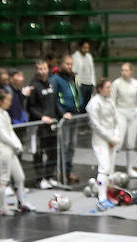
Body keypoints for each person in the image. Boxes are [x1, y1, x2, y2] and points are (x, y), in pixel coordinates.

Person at [0, 89, 31, 216]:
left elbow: (10, 131)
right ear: (0, 101)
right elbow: (3, 135)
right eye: (7, 100)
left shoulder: (4, 114)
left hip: (9, 150)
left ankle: (21, 203)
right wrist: (14, 145)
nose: (10, 103)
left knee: (20, 177)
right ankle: (2, 207)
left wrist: (18, 144)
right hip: (1, 150)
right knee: (3, 179)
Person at [86, 78, 120, 208]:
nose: (110, 90)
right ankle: (101, 198)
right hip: (100, 141)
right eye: (107, 88)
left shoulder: (110, 102)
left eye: (110, 87)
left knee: (110, 170)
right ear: (100, 89)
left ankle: (107, 195)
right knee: (103, 169)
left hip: (111, 140)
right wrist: (110, 139)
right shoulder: (93, 103)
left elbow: (116, 121)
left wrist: (115, 137)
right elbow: (96, 125)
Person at [27, 59, 60, 189]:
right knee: (39, 153)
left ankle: (49, 176)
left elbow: (54, 103)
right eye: (39, 69)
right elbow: (31, 107)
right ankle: (39, 178)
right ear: (36, 70)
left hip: (52, 124)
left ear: (48, 69)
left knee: (53, 152)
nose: (42, 71)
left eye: (44, 68)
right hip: (39, 126)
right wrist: (42, 117)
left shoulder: (51, 83)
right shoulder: (33, 86)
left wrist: (62, 114)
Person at [110, 62, 137, 170]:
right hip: (120, 113)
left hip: (133, 114)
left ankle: (129, 169)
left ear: (131, 72)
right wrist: (113, 118)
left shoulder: (136, 84)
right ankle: (110, 169)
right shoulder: (116, 83)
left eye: (126, 70)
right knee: (118, 142)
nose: (124, 72)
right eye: (122, 70)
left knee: (131, 143)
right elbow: (112, 102)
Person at [53, 56, 83, 184]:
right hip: (64, 117)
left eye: (71, 64)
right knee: (63, 145)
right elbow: (54, 99)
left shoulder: (73, 77)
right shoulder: (55, 79)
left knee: (72, 145)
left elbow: (77, 93)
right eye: (67, 64)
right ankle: (61, 171)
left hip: (75, 115)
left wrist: (80, 105)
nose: (70, 66)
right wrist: (62, 113)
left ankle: (68, 170)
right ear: (61, 64)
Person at [72, 40, 96, 109]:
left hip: (89, 84)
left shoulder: (89, 56)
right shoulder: (74, 57)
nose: (86, 50)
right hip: (80, 85)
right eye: (85, 48)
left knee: (88, 106)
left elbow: (92, 70)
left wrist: (92, 83)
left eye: (88, 48)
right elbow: (74, 72)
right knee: (81, 105)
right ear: (80, 47)